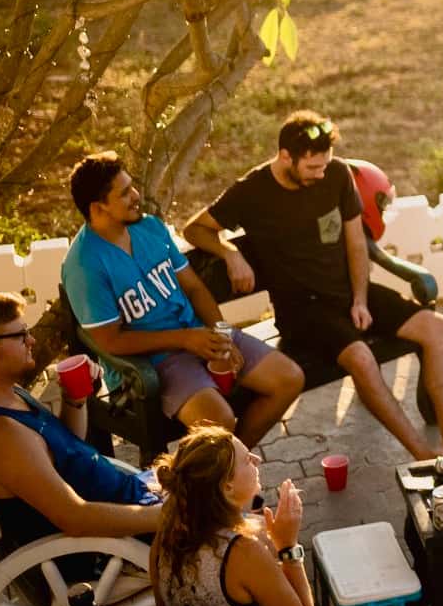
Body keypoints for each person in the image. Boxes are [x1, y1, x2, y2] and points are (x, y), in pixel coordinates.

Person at [183, 111, 443, 461]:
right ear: (285, 156)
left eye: (324, 165)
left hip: (347, 293)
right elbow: (194, 228)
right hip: (303, 311)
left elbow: (354, 242)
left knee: (436, 326)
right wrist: (229, 252)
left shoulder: (335, 174)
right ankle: (423, 456)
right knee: (362, 359)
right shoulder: (252, 191)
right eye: (312, 167)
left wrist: (361, 299)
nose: (321, 174)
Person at [62, 151, 302, 447]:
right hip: (153, 364)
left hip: (201, 335)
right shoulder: (85, 264)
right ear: (99, 208)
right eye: (124, 193)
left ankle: (226, 465)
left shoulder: (149, 227)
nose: (136, 195)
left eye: (132, 186)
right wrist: (186, 339)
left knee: (289, 378)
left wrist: (222, 335)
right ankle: (220, 469)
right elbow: (109, 341)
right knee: (220, 422)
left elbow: (195, 289)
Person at [0, 291, 160, 548]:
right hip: (119, 542)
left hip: (134, 500)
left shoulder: (6, 393)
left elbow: (63, 451)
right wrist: (169, 515)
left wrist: (74, 399)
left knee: (211, 468)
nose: (32, 341)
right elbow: (75, 518)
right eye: (20, 335)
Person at [150, 425, 356, 606]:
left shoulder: (166, 532)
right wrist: (288, 547)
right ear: (227, 487)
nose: (257, 459)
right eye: (247, 460)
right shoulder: (241, 552)